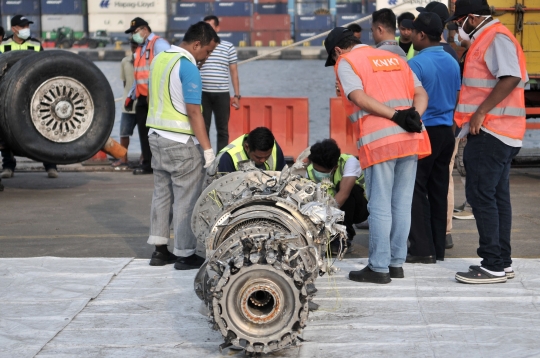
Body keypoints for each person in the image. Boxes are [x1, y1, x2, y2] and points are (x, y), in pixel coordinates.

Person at [325, 27, 430, 284]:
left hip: (380, 140)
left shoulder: (347, 62)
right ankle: (396, 263)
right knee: (402, 203)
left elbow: (358, 97)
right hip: (411, 137)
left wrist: (395, 116)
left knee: (380, 205)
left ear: (338, 50)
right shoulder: (394, 58)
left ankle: (379, 267)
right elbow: (421, 93)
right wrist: (413, 115)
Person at [447, 0, 528, 284]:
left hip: (491, 131)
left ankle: (492, 263)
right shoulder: (489, 38)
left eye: (459, 22)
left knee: (482, 195)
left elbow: (511, 77)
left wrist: (480, 113)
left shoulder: (495, 38)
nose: (457, 29)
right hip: (501, 131)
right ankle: (502, 262)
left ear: (471, 18)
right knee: (496, 197)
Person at [145, 21, 219, 270]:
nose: (206, 58)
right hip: (180, 141)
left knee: (161, 194)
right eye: (207, 51)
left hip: (155, 136)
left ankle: (159, 251)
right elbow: (194, 112)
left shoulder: (159, 60)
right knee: (187, 198)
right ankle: (185, 255)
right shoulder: (187, 67)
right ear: (197, 44)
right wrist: (208, 150)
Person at [403, 12, 461, 264]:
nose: (411, 36)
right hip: (447, 132)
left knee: (415, 189)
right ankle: (438, 248)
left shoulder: (415, 63)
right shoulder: (451, 60)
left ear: (422, 35)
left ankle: (420, 248)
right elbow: (457, 95)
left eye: (414, 32)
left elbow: (408, 101)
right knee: (438, 190)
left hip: (424, 133)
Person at [0, 15, 58, 179]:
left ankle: (50, 165)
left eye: (27, 25)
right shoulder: (4, 45)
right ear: (14, 29)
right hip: (8, 93)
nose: (26, 28)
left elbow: (44, 66)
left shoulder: (35, 44)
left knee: (44, 128)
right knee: (6, 131)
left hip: (33, 92)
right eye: (22, 26)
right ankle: (8, 166)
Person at [124, 17, 171, 175]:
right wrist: (131, 96)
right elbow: (139, 76)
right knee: (144, 134)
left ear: (144, 29)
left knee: (157, 133)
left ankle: (161, 163)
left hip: (155, 97)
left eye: (135, 32)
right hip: (142, 97)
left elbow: (168, 67)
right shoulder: (140, 48)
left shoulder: (158, 44)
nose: (133, 36)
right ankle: (148, 164)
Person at [307, 139, 368, 250]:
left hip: (359, 209)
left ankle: (343, 237)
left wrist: (324, 219)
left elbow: (343, 194)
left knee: (347, 188)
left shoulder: (349, 162)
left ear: (334, 167)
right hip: (326, 208)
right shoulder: (310, 169)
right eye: (316, 169)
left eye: (322, 171)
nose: (317, 172)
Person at [201, 15, 241, 152]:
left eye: (210, 26)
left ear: (217, 28)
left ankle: (220, 161)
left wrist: (237, 95)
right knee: (202, 128)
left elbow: (234, 72)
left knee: (222, 130)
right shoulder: (198, 46)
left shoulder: (228, 47)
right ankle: (204, 158)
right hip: (202, 94)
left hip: (222, 94)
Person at [113, 41, 139, 167]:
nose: (134, 50)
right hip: (128, 104)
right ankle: (123, 158)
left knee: (145, 135)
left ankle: (144, 158)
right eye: (133, 47)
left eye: (137, 47)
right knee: (124, 132)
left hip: (143, 104)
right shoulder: (125, 61)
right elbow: (125, 83)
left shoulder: (148, 62)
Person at [216, 127, 286, 173]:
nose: (263, 160)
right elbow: (224, 190)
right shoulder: (227, 158)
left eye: (267, 156)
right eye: (258, 157)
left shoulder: (274, 148)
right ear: (247, 147)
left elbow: (283, 177)